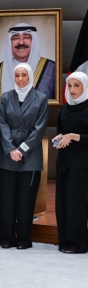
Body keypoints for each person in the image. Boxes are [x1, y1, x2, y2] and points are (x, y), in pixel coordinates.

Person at [0, 63, 48, 249]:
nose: (20, 79)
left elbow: (40, 128)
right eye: (17, 75)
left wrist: (22, 149)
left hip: (30, 155)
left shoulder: (41, 98)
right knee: (6, 199)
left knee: (26, 199)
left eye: (23, 75)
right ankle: (6, 237)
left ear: (30, 76)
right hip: (7, 155)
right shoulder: (5, 97)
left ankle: (23, 238)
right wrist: (11, 149)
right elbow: (2, 124)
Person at [52, 72, 88, 253]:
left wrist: (74, 136)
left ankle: (78, 243)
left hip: (81, 164)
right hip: (64, 161)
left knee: (76, 204)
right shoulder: (65, 109)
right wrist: (60, 137)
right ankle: (65, 241)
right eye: (70, 86)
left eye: (77, 85)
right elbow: (62, 130)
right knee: (63, 203)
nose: (72, 90)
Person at [0, 22, 55, 100]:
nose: (21, 42)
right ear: (10, 43)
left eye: (26, 37)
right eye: (15, 38)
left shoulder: (52, 70)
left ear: (34, 41)